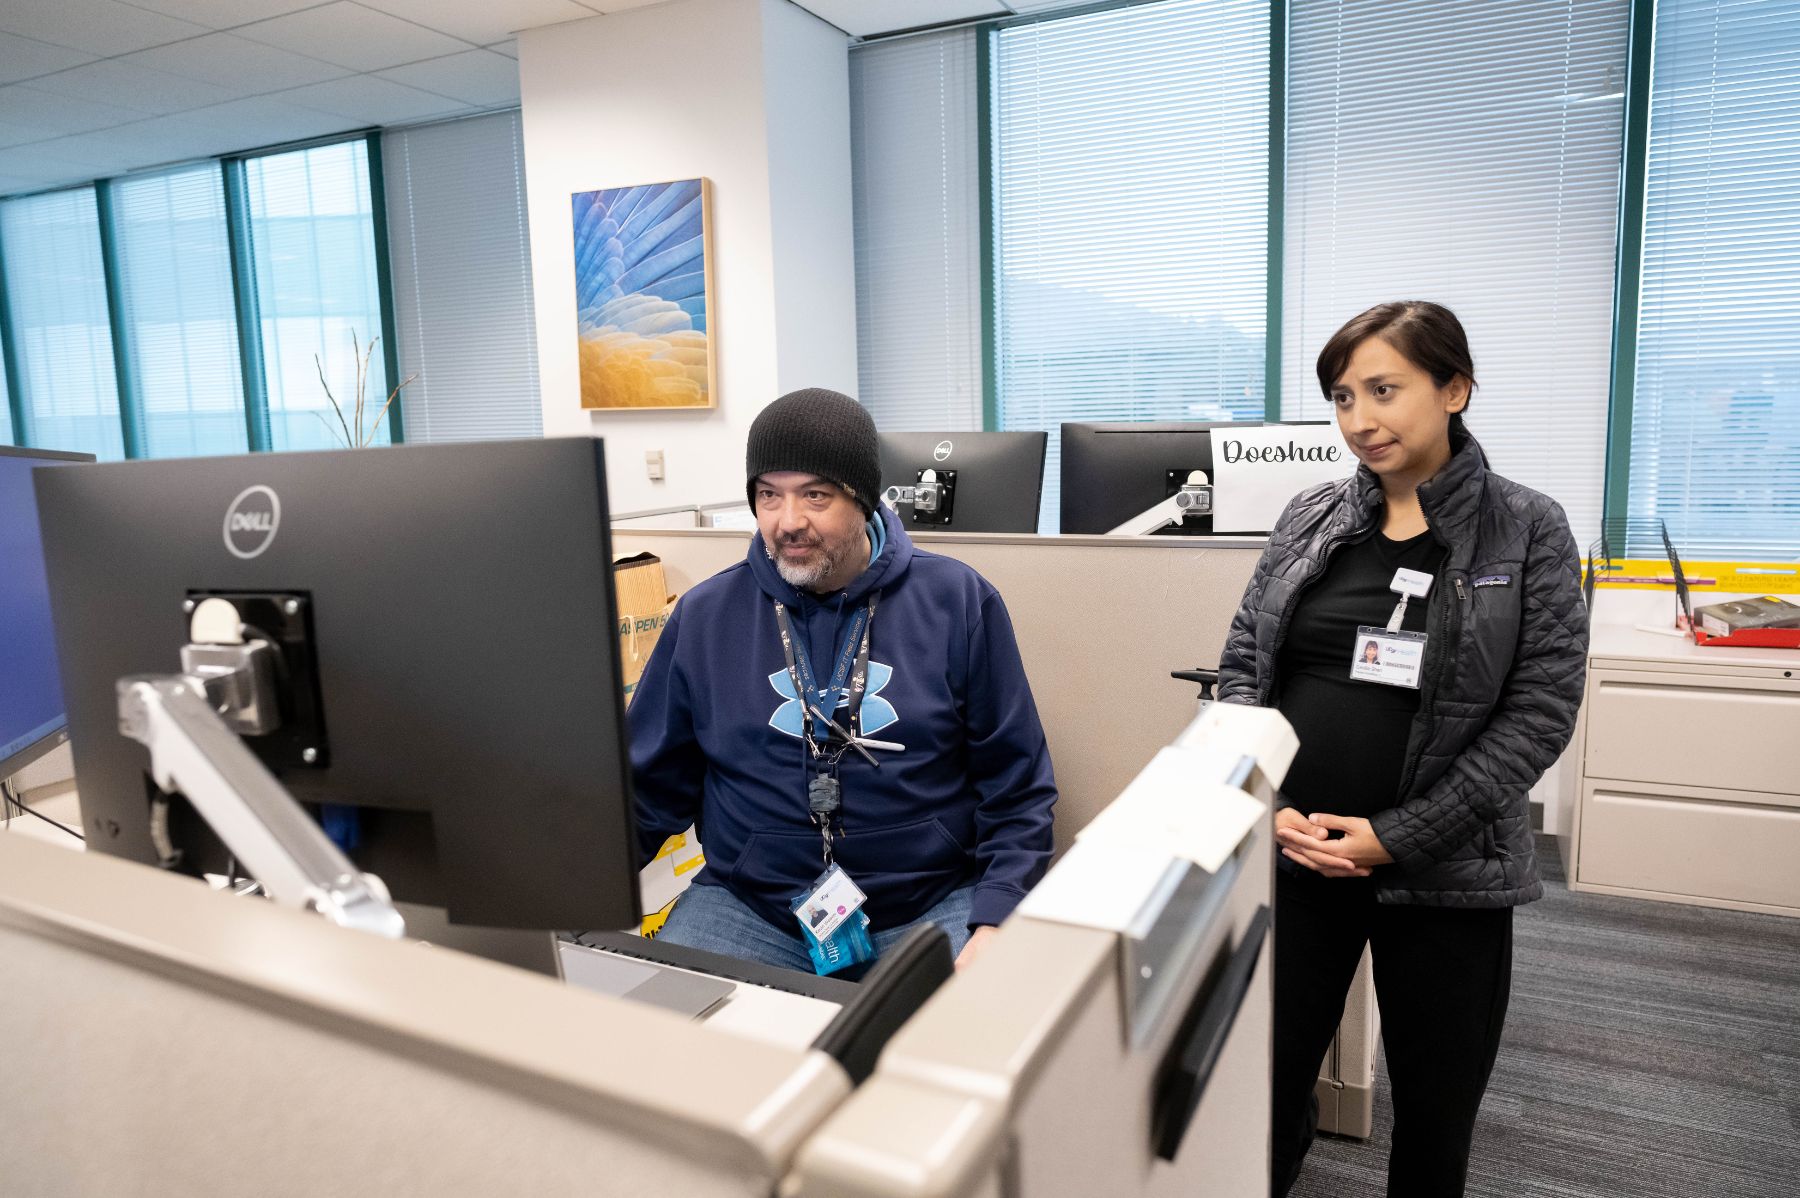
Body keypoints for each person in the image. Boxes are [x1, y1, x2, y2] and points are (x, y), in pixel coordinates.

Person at [1215, 302, 1587, 1196]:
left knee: (1434, 1118)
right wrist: (1267, 803)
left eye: (1384, 390)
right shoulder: (1311, 515)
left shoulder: (1527, 528)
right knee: (1261, 1094)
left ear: (1454, 389)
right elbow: (1240, 666)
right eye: (1343, 397)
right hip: (1296, 854)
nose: (1359, 420)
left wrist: (1400, 834)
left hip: (1447, 873)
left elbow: (1540, 711)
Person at [629, 387, 1058, 973]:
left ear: (864, 500)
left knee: (971, 1036)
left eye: (815, 496)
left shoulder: (958, 601)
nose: (788, 522)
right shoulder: (705, 616)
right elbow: (647, 789)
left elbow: (1017, 788)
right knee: (676, 1039)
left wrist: (997, 915)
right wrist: (566, 891)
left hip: (929, 904)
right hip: (751, 909)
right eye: (768, 496)